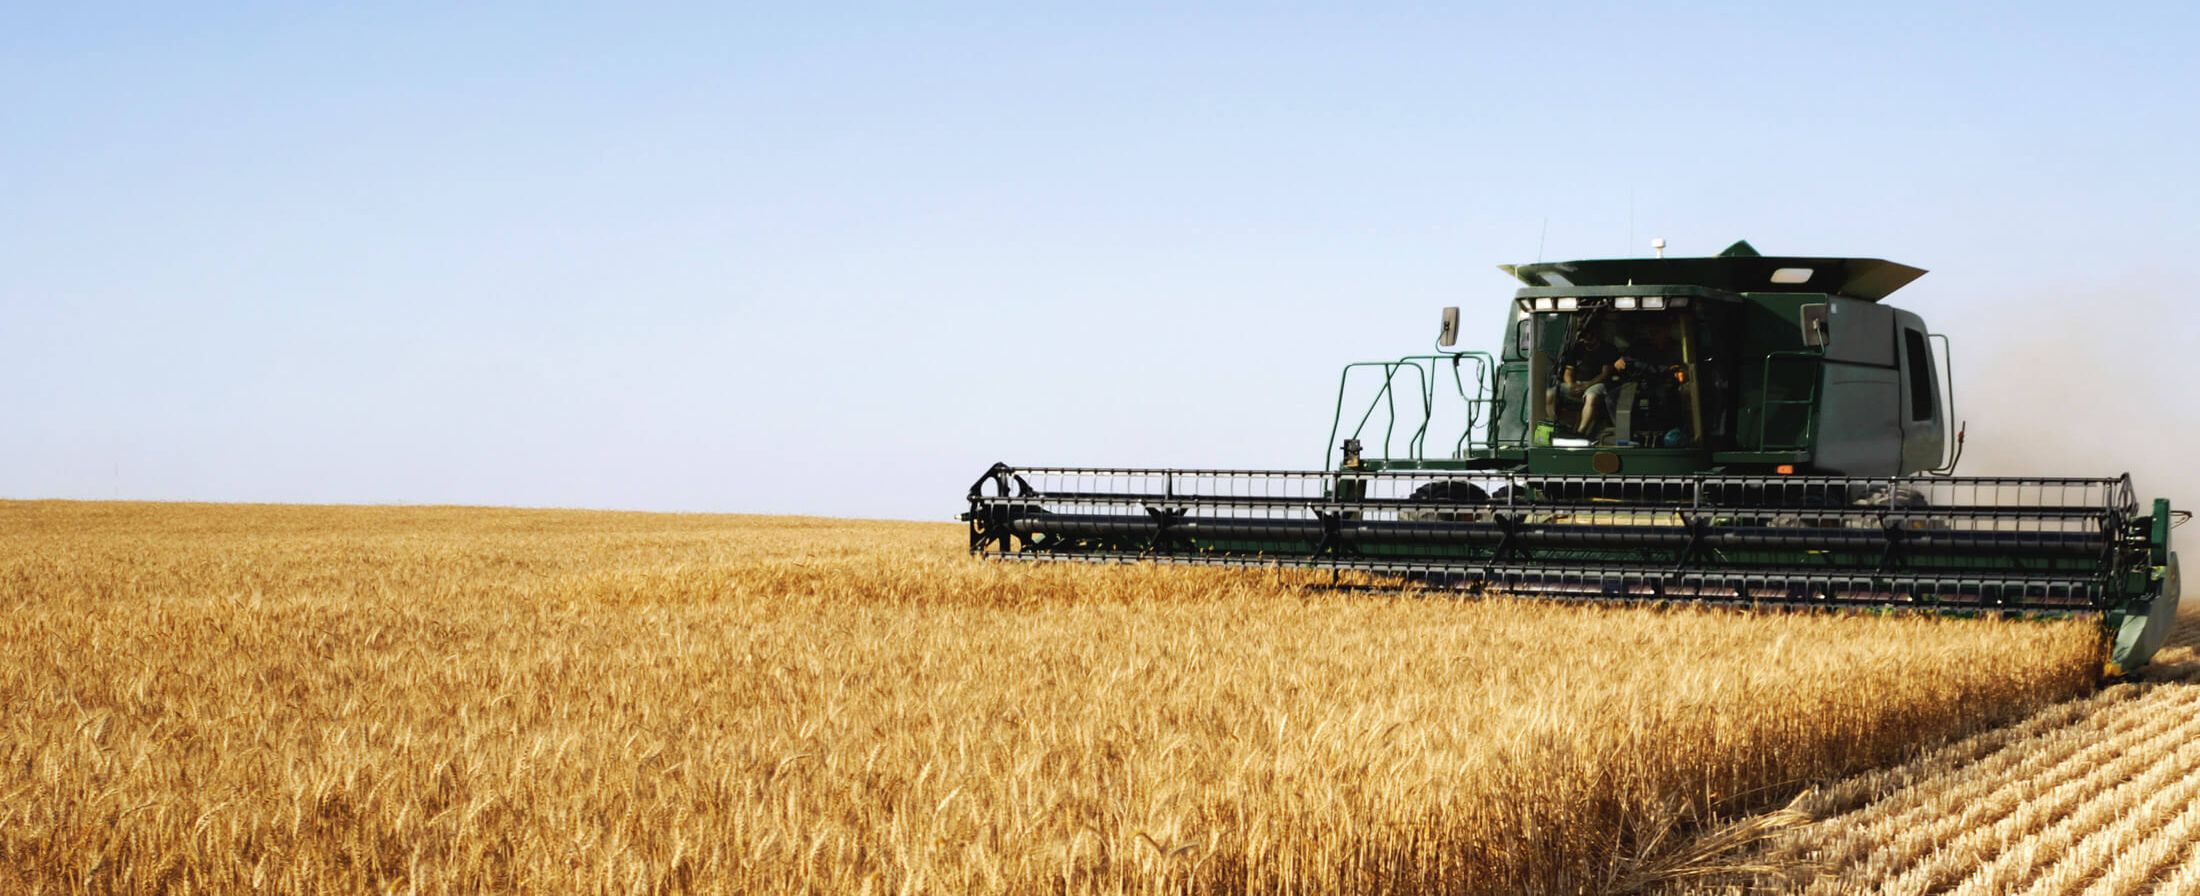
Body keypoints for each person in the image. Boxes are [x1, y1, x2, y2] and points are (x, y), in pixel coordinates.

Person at [1547, 319, 1619, 437]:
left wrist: (1586, 385)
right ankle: (1556, 426)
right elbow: (1568, 371)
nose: (1587, 338)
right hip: (1577, 384)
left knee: (1591, 396)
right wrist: (1571, 385)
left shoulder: (1608, 349)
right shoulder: (1577, 349)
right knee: (1550, 394)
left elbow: (1605, 374)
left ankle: (1580, 432)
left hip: (1598, 383)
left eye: (1590, 335)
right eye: (1584, 335)